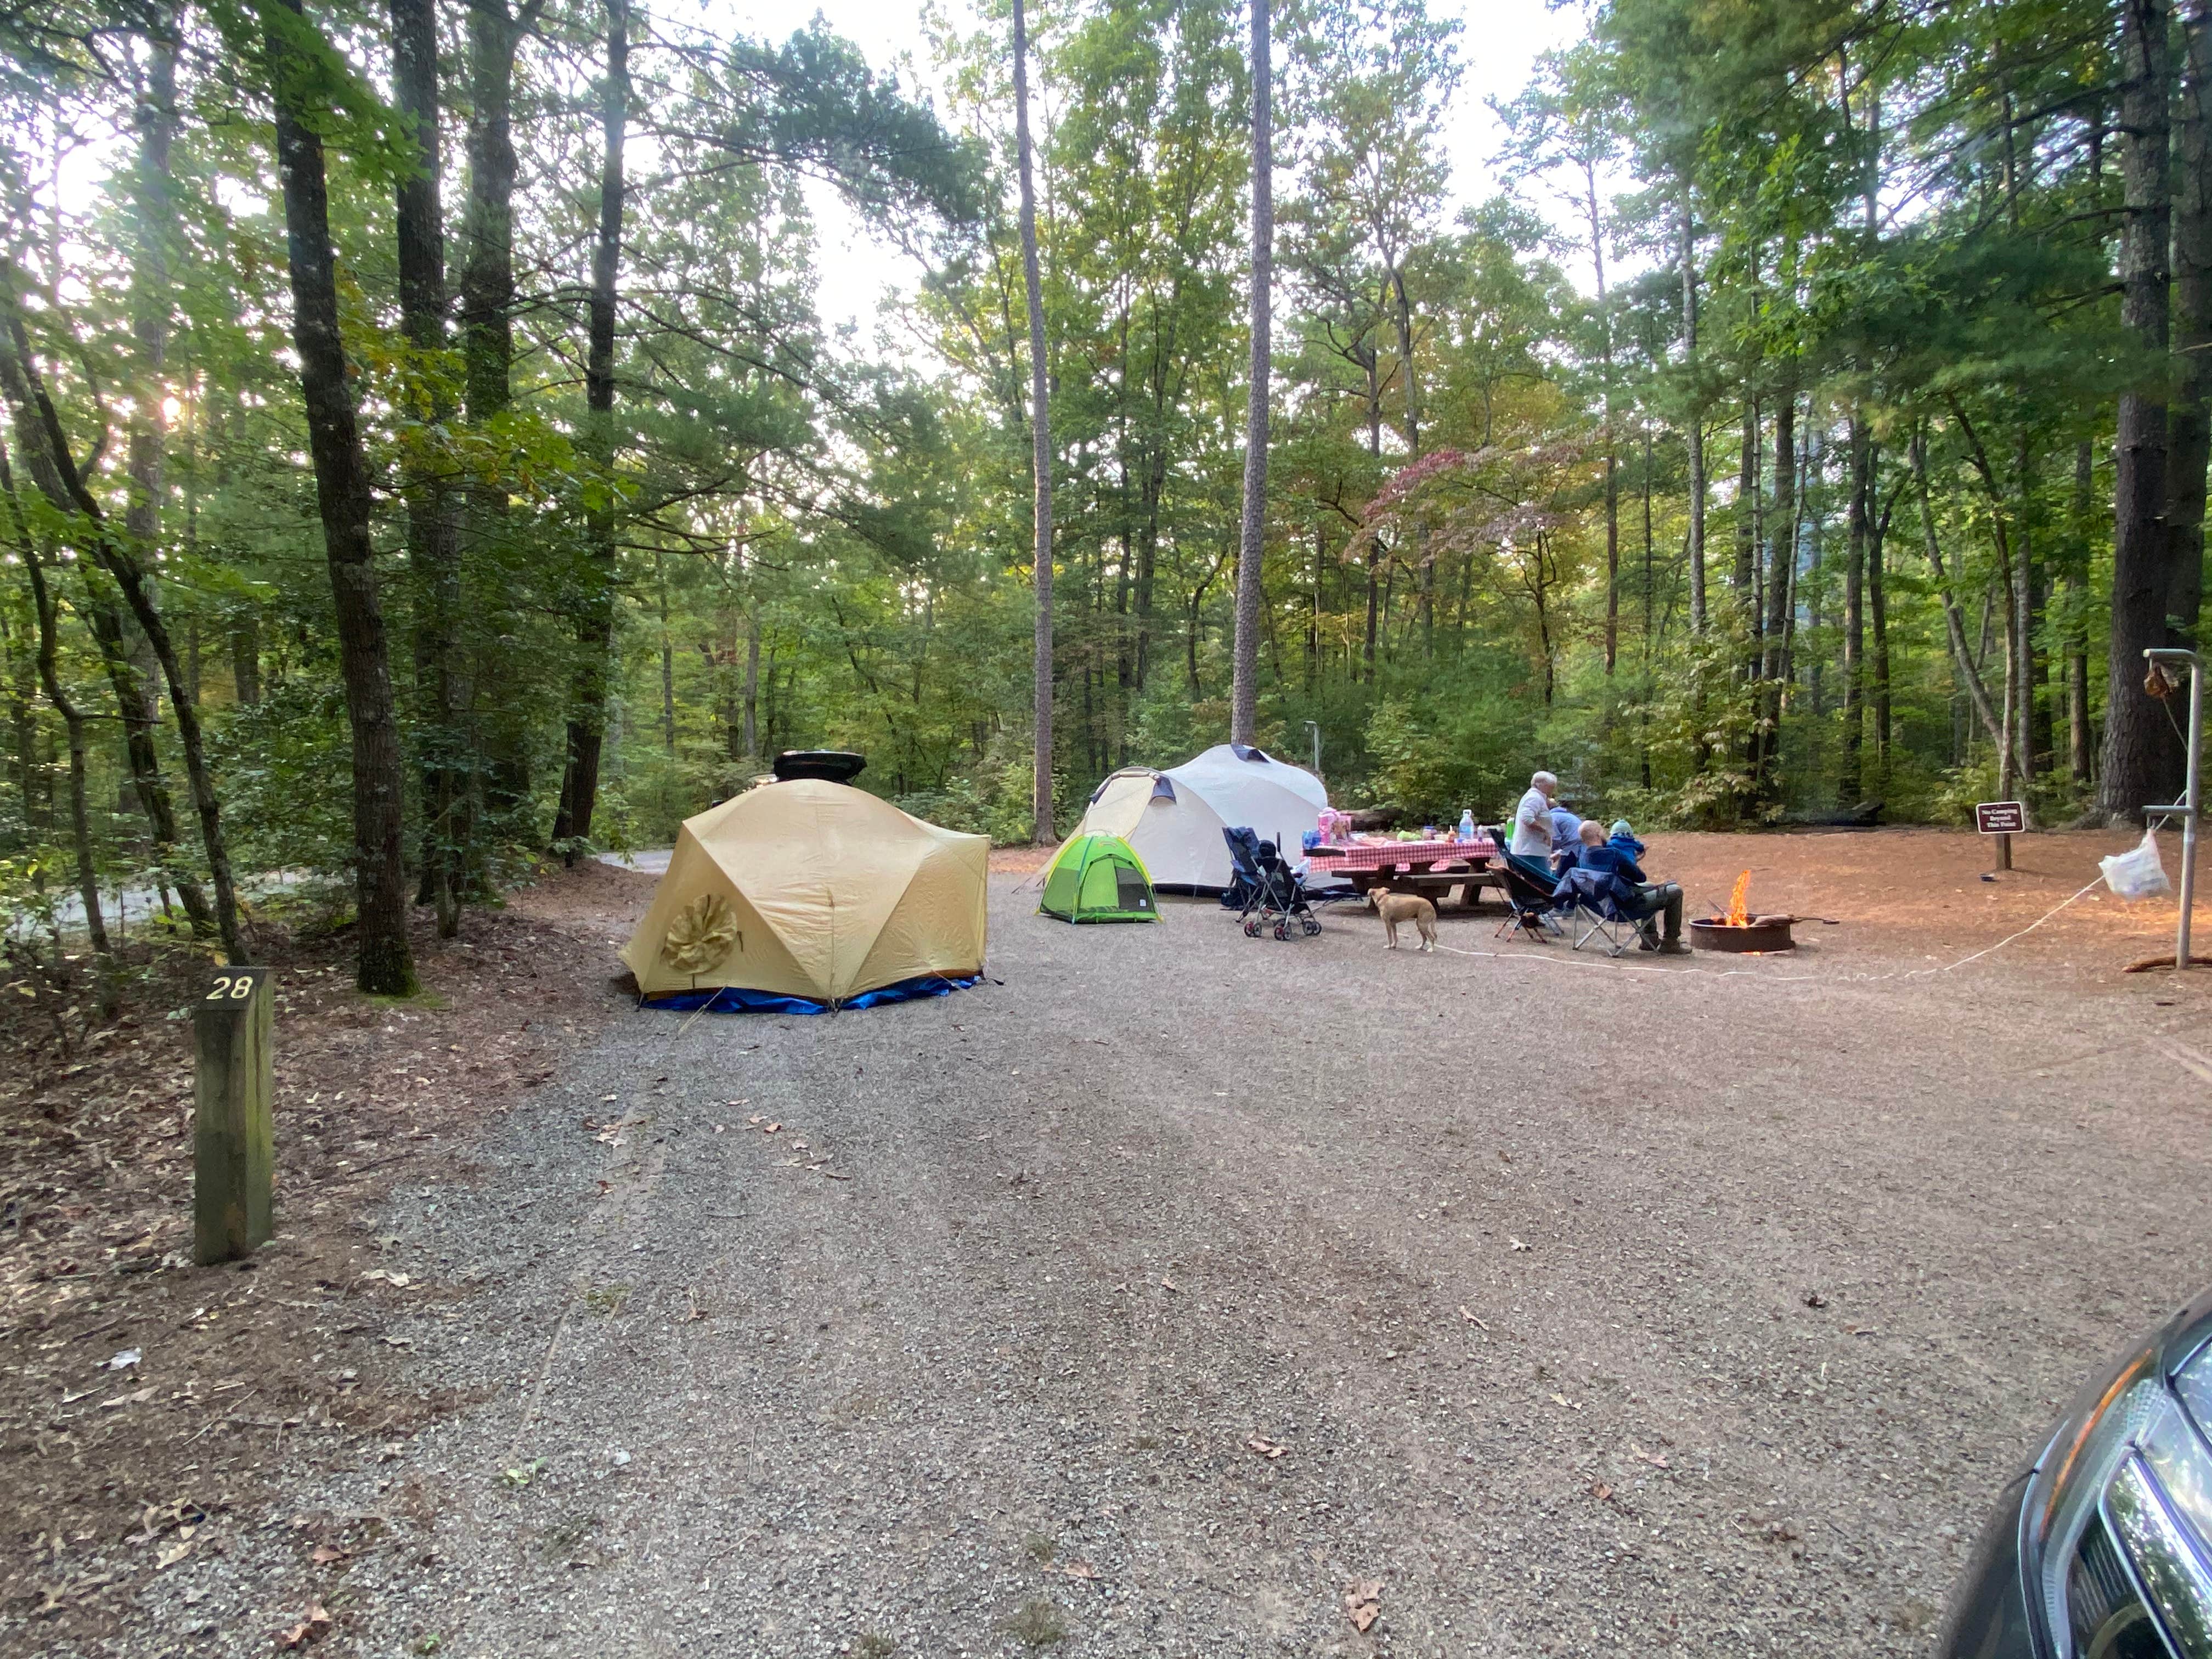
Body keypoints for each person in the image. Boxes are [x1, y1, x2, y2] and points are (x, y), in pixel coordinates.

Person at [1572, 819, 1685, 953]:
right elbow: (1640, 877)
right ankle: (1670, 943)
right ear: (1598, 835)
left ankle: (1650, 939)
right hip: (1622, 907)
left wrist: (1630, 864)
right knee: (1676, 891)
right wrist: (1633, 862)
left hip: (1598, 905)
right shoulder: (1614, 854)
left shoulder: (1583, 856)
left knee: (1648, 886)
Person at [1510, 771, 1558, 859]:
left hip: (1534, 850)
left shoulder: (1537, 797)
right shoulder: (1534, 798)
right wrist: (1545, 831)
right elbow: (1527, 818)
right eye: (1551, 786)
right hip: (1530, 851)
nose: (1553, 789)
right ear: (1542, 785)